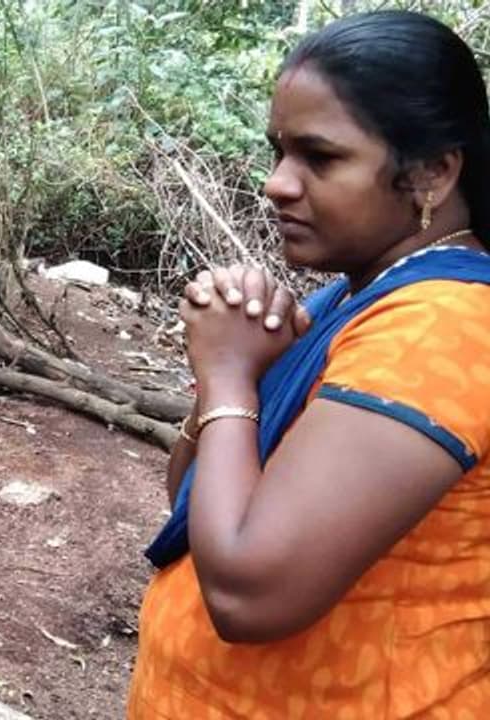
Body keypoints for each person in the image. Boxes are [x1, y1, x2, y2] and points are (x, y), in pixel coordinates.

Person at [130, 11, 490, 717]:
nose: (277, 185)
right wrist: (225, 382)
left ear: (433, 173)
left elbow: (247, 593)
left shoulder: (443, 327)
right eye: (278, 153)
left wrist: (231, 374)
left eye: (319, 159)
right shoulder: (351, 300)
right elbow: (194, 496)